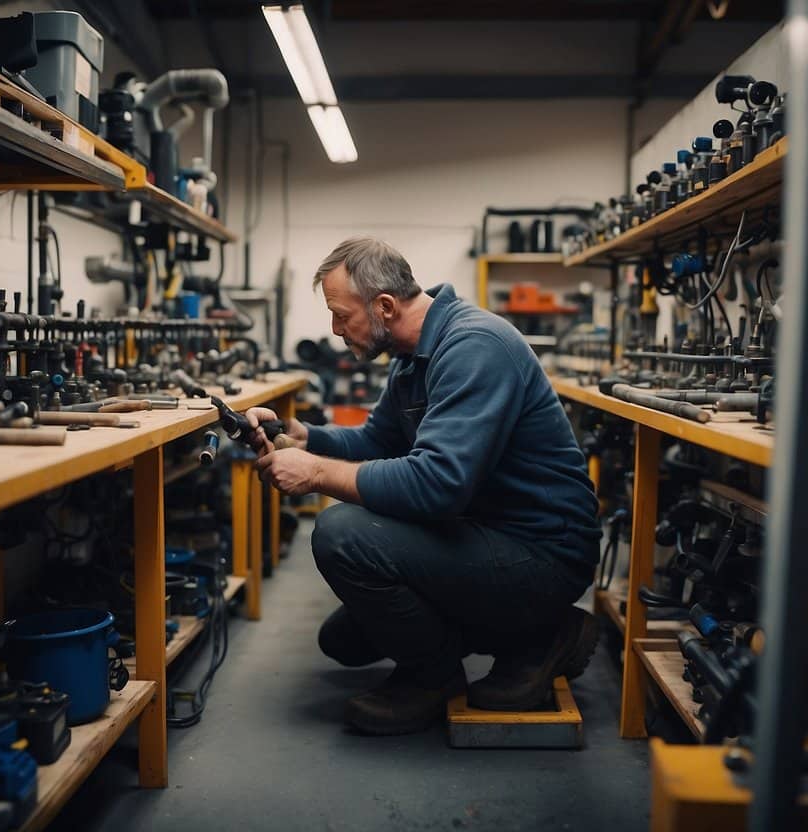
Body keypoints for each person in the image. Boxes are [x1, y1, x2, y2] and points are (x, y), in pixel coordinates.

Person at [245, 237, 600, 735]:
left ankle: (437, 676)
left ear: (384, 307)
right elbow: (376, 439)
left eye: (341, 314)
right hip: (483, 534)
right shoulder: (414, 357)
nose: (335, 329)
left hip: (543, 553)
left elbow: (438, 486)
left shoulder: (475, 346)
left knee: (341, 535)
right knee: (345, 640)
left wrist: (316, 474)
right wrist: (305, 436)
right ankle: (532, 634)